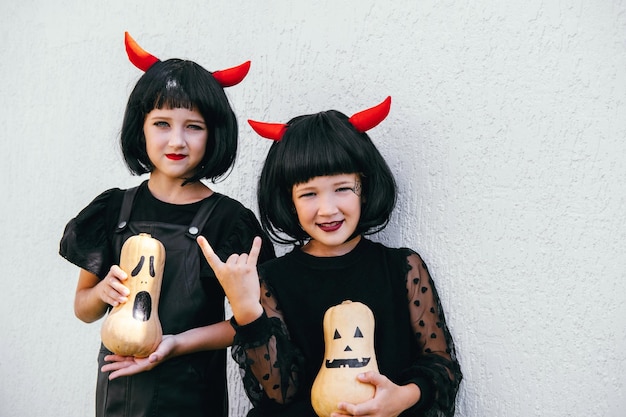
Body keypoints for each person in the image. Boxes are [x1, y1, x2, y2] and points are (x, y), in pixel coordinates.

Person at [197, 96, 462, 417]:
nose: (328, 209)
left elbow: (440, 363)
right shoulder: (271, 279)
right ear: (288, 200)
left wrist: (403, 397)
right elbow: (279, 392)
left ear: (364, 188)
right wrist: (245, 310)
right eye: (309, 194)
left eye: (342, 189)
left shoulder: (403, 268)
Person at [59, 32, 275, 417]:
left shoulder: (231, 222)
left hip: (192, 391)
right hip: (119, 391)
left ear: (214, 134)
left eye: (194, 126)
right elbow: (83, 308)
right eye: (162, 123)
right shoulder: (112, 208)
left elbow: (250, 320)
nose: (177, 140)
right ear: (140, 128)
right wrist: (101, 294)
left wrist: (176, 343)